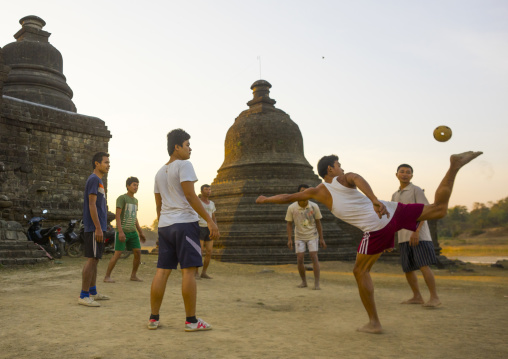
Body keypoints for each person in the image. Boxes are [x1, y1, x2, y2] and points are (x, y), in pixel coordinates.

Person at [256, 151, 482, 333]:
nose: (342, 168)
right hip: (391, 213)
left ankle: (374, 323)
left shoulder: (322, 190)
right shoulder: (330, 184)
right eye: (338, 164)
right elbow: (289, 198)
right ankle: (453, 165)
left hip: (376, 225)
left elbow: (291, 196)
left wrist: (266, 200)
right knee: (439, 210)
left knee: (360, 271)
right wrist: (267, 199)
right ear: (330, 169)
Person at [148, 129, 220, 331]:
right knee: (189, 271)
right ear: (177, 147)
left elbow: (158, 205)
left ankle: (153, 318)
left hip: (166, 226)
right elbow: (190, 196)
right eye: (187, 144)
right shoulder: (184, 165)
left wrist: (162, 228)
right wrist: (209, 220)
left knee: (162, 271)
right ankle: (191, 321)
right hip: (185, 224)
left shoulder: (159, 172)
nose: (190, 148)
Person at [392, 164, 441, 307]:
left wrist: (416, 231)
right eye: (402, 172)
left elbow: (425, 211)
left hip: (419, 235)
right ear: (397, 175)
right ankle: (417, 296)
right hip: (403, 236)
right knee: (408, 268)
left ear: (412, 176)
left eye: (408, 172)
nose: (405, 174)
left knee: (423, 265)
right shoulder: (395, 195)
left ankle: (435, 297)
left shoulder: (416, 190)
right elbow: (396, 217)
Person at [78, 152, 111, 307]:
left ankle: (93, 292)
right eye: (105, 162)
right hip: (93, 228)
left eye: (108, 162)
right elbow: (91, 205)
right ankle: (84, 295)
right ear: (97, 164)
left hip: (100, 226)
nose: (108, 165)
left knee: (96, 259)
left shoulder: (99, 181)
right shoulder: (93, 179)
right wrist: (97, 227)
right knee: (91, 259)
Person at [104, 177, 147, 283]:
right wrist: (120, 231)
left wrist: (140, 232)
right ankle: (107, 276)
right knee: (118, 254)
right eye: (134, 185)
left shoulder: (135, 201)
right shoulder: (122, 198)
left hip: (133, 232)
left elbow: (134, 217)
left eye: (137, 185)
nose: (136, 187)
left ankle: (133, 275)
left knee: (138, 252)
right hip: (122, 231)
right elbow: (117, 215)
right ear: (128, 186)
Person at [286, 184, 326, 290]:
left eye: (306, 191)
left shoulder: (314, 206)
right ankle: (304, 282)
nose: (304, 193)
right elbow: (289, 223)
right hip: (299, 236)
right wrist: (289, 239)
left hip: (312, 235)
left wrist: (321, 238)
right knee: (300, 258)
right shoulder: (292, 207)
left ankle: (316, 283)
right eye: (302, 191)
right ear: (298, 194)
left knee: (314, 256)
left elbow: (318, 223)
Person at [195, 184, 217, 279]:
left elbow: (213, 217)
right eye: (206, 189)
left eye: (209, 189)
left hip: (209, 228)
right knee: (199, 251)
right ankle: (196, 272)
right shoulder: (198, 202)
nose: (208, 191)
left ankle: (204, 272)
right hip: (200, 227)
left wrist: (215, 227)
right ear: (201, 191)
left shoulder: (212, 203)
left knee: (209, 251)